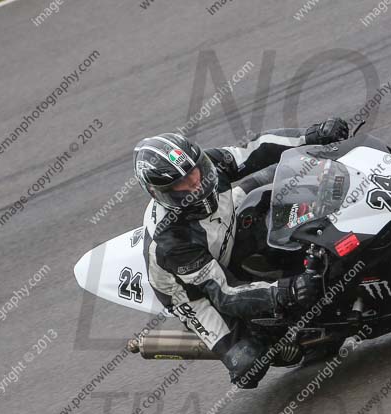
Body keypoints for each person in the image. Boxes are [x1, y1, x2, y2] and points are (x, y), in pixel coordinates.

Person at [134, 118, 350, 388]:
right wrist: (286, 291)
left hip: (225, 224)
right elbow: (224, 293)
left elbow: (257, 149)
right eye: (183, 183)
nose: (196, 183)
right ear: (161, 193)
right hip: (193, 292)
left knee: (286, 176)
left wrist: (310, 135)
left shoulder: (206, 169)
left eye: (195, 172)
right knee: (249, 363)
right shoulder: (172, 242)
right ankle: (289, 342)